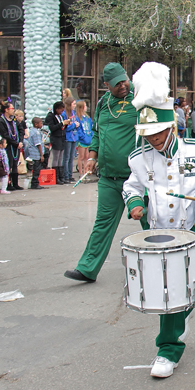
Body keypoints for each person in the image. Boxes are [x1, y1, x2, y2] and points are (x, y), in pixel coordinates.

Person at [122, 62, 195, 378]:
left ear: (171, 126)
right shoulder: (138, 159)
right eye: (146, 134)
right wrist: (135, 202)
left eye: (158, 132)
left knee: (175, 294)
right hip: (155, 234)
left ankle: (169, 346)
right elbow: (131, 186)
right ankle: (173, 336)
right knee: (169, 294)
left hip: (186, 233)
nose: (153, 139)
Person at [64, 62, 139, 283]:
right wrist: (92, 157)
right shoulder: (103, 103)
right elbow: (96, 133)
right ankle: (87, 268)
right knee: (102, 223)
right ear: (107, 85)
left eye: (124, 80)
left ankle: (162, 266)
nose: (123, 86)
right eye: (116, 84)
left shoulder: (141, 98)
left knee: (150, 223)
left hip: (136, 178)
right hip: (108, 176)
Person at [0, 100, 23, 191]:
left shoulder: (14, 120)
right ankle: (8, 184)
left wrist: (20, 141)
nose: (13, 110)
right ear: (6, 110)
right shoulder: (1, 121)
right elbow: (5, 135)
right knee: (9, 165)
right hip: (9, 146)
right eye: (12, 108)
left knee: (15, 164)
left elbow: (21, 130)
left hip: (16, 145)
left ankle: (15, 183)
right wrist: (15, 143)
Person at [45, 101, 68, 184]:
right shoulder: (51, 116)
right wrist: (61, 123)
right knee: (56, 157)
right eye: (60, 110)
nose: (61, 112)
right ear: (56, 109)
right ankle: (56, 177)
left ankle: (61, 176)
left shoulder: (61, 116)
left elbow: (63, 126)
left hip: (62, 137)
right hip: (55, 138)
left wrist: (66, 124)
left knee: (61, 157)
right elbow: (52, 128)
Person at [24, 117, 45, 189]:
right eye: (41, 123)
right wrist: (41, 155)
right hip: (36, 154)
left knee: (36, 168)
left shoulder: (32, 131)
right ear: (36, 124)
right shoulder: (36, 132)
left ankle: (35, 182)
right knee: (37, 169)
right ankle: (35, 183)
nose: (42, 124)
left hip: (34, 153)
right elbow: (38, 144)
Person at [62, 98, 80, 183]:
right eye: (73, 104)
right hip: (67, 137)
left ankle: (70, 175)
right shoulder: (64, 114)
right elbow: (66, 127)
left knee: (72, 157)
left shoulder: (74, 113)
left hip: (74, 137)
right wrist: (73, 125)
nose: (75, 106)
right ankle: (65, 175)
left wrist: (76, 124)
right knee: (66, 157)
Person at [75, 100, 93, 180]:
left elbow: (91, 127)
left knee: (87, 156)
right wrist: (82, 137)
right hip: (82, 140)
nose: (86, 107)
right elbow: (78, 129)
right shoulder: (77, 118)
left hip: (88, 138)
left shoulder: (87, 117)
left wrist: (91, 136)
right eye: (85, 106)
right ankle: (80, 173)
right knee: (81, 156)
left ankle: (85, 173)